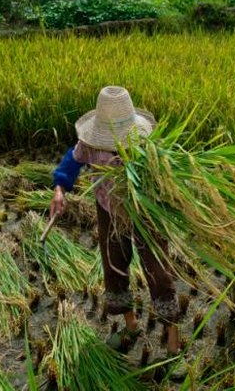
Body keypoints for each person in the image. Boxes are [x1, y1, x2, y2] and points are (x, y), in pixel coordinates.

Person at [49, 86, 181, 356]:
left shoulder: (145, 144)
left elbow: (166, 177)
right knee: (114, 264)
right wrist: (59, 190)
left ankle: (173, 336)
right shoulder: (90, 145)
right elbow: (70, 164)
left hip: (145, 211)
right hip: (109, 210)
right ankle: (131, 325)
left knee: (158, 269)